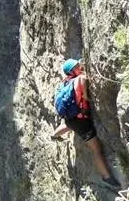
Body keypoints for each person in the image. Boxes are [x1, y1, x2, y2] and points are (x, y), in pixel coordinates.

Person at [52, 59, 121, 190]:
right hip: (81, 122)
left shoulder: (65, 82)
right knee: (96, 149)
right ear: (72, 71)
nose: (80, 66)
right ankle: (106, 177)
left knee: (70, 125)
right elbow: (86, 97)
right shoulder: (81, 79)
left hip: (71, 119)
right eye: (77, 66)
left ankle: (54, 135)